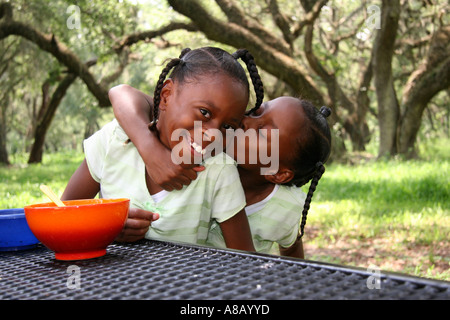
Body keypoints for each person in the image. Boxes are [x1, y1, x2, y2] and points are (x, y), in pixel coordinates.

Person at [61, 47, 266, 252]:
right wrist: (104, 227)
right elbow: (61, 218)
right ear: (166, 95)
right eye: (204, 112)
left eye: (228, 127)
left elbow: (244, 259)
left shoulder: (219, 170)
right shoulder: (113, 141)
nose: (213, 135)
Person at [110, 86, 331, 258]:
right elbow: (121, 93)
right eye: (258, 111)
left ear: (278, 173)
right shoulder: (202, 154)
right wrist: (151, 150)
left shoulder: (286, 207)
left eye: (263, 133)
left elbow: (292, 249)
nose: (246, 122)